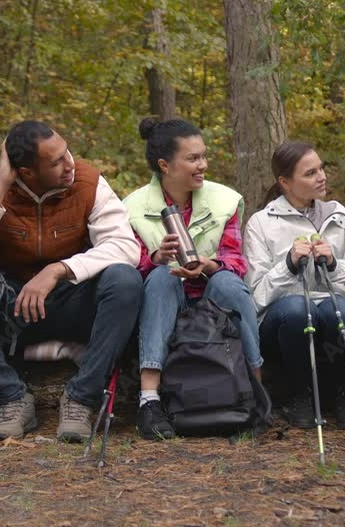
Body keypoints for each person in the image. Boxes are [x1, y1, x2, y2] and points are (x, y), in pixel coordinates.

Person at [0, 120, 142, 442]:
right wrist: (1, 186)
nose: (69, 164)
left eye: (66, 153)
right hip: (13, 306)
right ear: (26, 172)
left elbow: (126, 247)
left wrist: (57, 270)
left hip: (72, 299)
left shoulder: (89, 182)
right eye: (56, 161)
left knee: (125, 280)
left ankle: (81, 399)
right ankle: (11, 398)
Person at [124, 117, 262, 440]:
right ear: (165, 165)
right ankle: (149, 402)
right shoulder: (131, 208)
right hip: (166, 301)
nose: (203, 165)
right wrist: (156, 258)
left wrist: (208, 265)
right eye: (193, 158)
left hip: (213, 298)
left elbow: (236, 261)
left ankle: (257, 391)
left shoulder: (223, 200)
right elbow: (129, 267)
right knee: (160, 277)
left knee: (228, 281)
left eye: (203, 156)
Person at [244, 141, 345, 429]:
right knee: (301, 309)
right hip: (283, 320)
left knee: (344, 314)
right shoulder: (261, 223)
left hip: (331, 311)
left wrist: (334, 265)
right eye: (310, 173)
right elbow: (256, 296)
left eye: (321, 168)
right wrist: (287, 265)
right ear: (285, 182)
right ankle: (300, 395)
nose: (321, 176)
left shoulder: (340, 217)